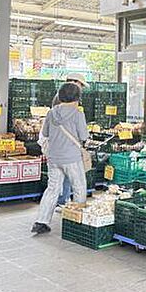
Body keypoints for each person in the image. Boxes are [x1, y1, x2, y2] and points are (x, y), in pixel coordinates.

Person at [32, 82, 90, 234]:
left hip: (53, 157)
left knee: (52, 188)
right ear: (77, 97)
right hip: (71, 157)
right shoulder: (78, 113)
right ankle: (76, 222)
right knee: (79, 186)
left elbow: (45, 133)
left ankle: (41, 221)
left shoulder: (51, 113)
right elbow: (84, 136)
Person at [50, 73, 89, 207]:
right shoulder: (63, 100)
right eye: (81, 85)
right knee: (70, 177)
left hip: (61, 146)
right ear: (74, 82)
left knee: (65, 176)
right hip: (65, 145)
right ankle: (63, 201)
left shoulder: (65, 98)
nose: (81, 88)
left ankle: (63, 200)